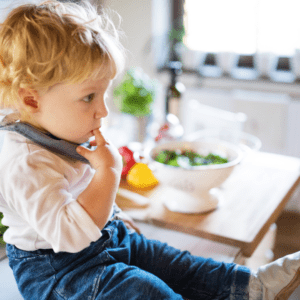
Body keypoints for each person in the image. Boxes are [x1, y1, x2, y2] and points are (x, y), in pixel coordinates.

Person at [0, 1, 299, 299]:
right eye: (89, 97)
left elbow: (79, 186)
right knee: (143, 290)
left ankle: (249, 286)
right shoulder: (23, 162)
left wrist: (115, 214)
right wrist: (111, 170)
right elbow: (71, 235)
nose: (103, 110)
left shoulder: (58, 126)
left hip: (102, 236)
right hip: (60, 270)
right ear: (31, 101)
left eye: (103, 94)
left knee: (174, 262)